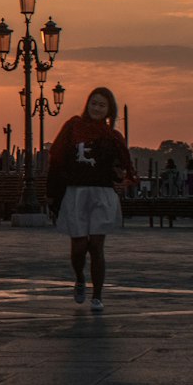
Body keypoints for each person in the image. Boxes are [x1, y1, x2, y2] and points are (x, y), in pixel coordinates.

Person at [45, 86, 132, 312]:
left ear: (108, 110)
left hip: (102, 194)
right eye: (94, 103)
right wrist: (53, 193)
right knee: (78, 247)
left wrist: (122, 180)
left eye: (102, 105)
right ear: (87, 105)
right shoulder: (73, 127)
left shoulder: (113, 137)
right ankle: (80, 278)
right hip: (76, 192)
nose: (96, 108)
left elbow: (124, 167)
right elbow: (57, 160)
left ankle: (98, 295)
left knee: (96, 245)